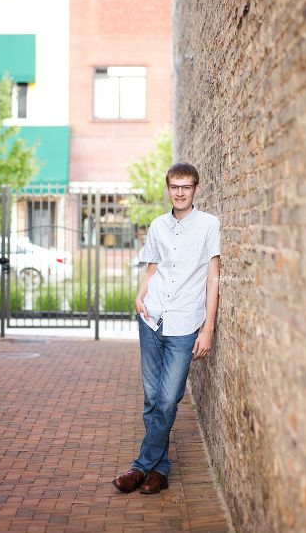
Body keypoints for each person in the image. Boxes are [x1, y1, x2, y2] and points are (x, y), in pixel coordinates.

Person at [113, 162, 220, 495]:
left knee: (169, 399)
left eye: (186, 186)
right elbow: (152, 270)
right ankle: (159, 471)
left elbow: (213, 278)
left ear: (196, 189)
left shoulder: (209, 225)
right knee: (151, 398)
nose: (180, 192)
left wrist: (208, 329)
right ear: (168, 188)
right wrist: (138, 297)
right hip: (151, 318)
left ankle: (140, 467)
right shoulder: (158, 225)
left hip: (185, 324)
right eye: (174, 186)